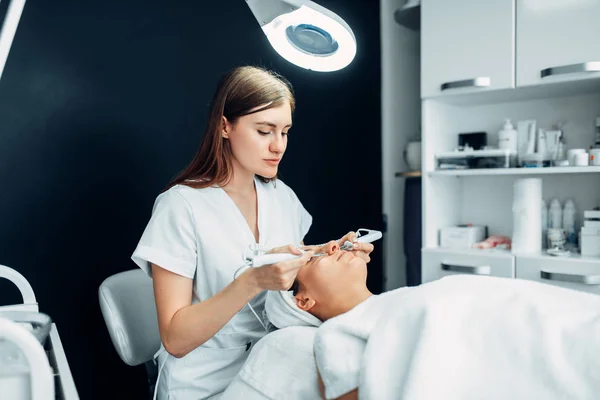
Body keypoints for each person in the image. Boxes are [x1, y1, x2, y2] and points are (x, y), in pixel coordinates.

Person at [130, 65, 373, 400]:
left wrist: (327, 252)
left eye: (285, 132)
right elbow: (175, 338)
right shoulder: (181, 206)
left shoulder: (281, 197)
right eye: (264, 131)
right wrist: (253, 280)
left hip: (273, 367)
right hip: (204, 385)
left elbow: (292, 281)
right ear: (225, 126)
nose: (278, 146)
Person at [279, 243, 600, 400]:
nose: (333, 245)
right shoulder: (335, 334)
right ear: (303, 300)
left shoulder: (403, 298)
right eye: (316, 256)